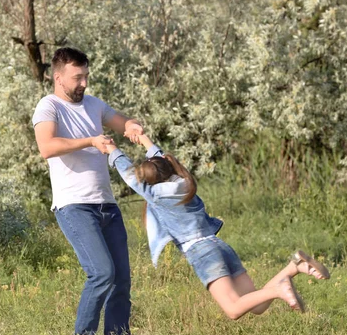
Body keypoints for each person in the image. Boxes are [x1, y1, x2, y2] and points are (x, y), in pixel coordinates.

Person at [105, 134, 330, 319]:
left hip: (201, 253)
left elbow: (129, 175)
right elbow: (162, 159)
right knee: (257, 305)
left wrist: (112, 150)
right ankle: (294, 268)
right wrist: (144, 139)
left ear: (150, 178)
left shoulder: (153, 193)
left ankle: (279, 290)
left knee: (233, 310)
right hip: (219, 245)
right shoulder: (183, 183)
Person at [32, 47, 143, 335]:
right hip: (74, 206)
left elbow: (121, 121)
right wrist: (91, 140)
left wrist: (132, 126)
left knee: (121, 281)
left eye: (86, 76)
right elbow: (47, 147)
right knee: (102, 273)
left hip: (107, 205)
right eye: (77, 77)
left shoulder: (94, 104)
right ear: (58, 77)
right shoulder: (48, 106)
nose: (83, 83)